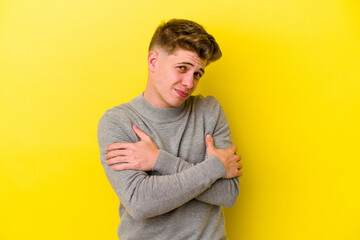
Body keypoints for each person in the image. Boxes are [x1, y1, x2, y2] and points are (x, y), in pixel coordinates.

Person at [97, 19, 243, 240]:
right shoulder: (118, 121)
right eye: (182, 68)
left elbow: (228, 194)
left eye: (197, 74)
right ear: (154, 61)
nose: (189, 83)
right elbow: (141, 202)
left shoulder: (209, 111)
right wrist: (216, 168)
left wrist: (159, 161)